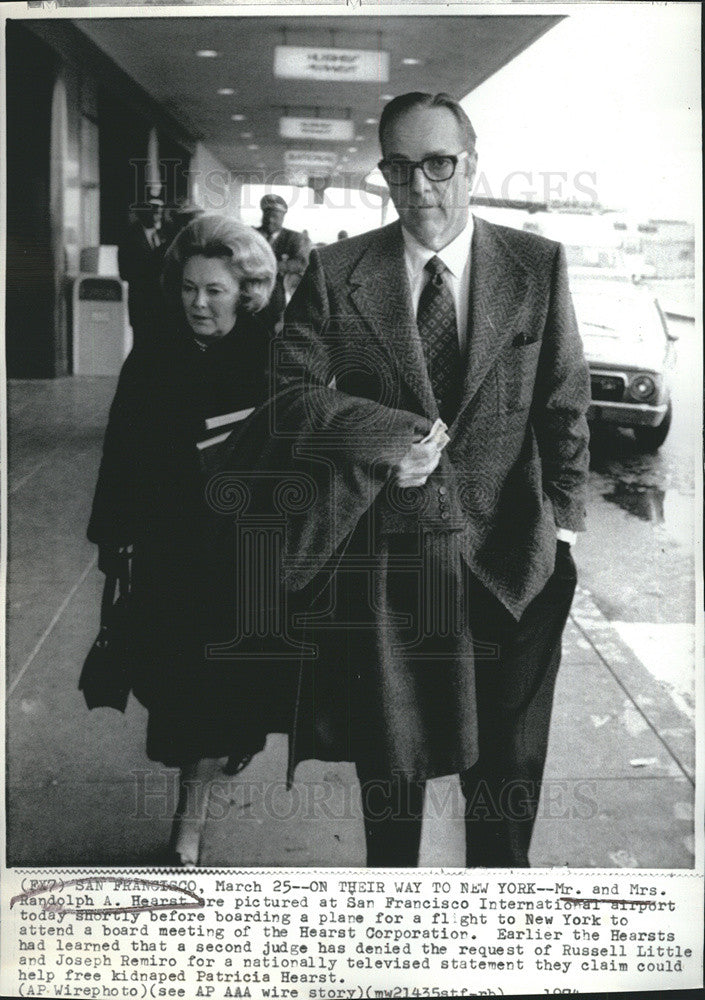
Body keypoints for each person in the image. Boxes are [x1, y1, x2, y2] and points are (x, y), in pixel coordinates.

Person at [242, 91, 591, 867]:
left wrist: (563, 533)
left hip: (513, 563)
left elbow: (563, 400)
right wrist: (383, 438)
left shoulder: (536, 265)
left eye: (439, 163)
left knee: (506, 774)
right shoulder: (339, 271)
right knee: (392, 768)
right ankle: (394, 929)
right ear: (384, 175)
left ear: (470, 165)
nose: (421, 186)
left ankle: (495, 933)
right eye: (399, 167)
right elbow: (288, 397)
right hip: (392, 567)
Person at [87, 215, 279, 866]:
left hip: (241, 556)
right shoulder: (154, 355)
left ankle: (187, 823)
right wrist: (113, 537)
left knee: (218, 689)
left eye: (215, 291)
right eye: (190, 289)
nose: (198, 302)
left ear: (246, 292)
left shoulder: (270, 362)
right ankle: (205, 777)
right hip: (171, 549)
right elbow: (120, 449)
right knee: (180, 687)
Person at [117, 196, 170, 346]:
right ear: (143, 213)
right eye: (154, 213)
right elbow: (125, 271)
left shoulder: (163, 235)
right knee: (140, 340)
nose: (157, 217)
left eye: (159, 213)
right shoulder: (129, 237)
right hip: (141, 298)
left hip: (160, 301)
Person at [256, 194, 308, 318]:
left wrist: (269, 267)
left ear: (283, 217)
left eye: (275, 216)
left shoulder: (294, 238)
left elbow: (301, 262)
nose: (270, 220)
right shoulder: (252, 235)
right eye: (266, 216)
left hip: (277, 290)